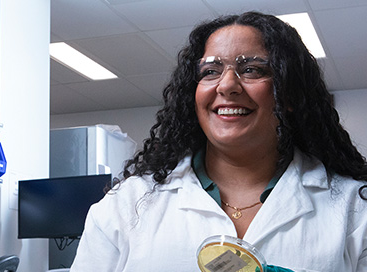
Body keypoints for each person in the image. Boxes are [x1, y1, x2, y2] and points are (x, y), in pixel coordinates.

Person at [70, 11, 367, 272]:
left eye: (251, 69)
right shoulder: (126, 206)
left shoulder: (355, 209)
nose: (226, 85)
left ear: (288, 94)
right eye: (210, 71)